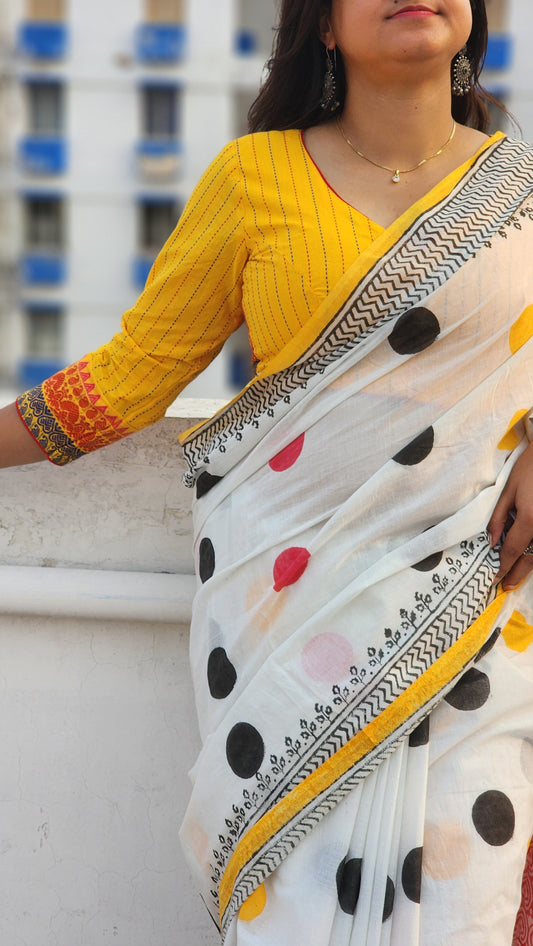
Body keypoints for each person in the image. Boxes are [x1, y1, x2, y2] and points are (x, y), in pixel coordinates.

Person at [2, 0, 533, 942]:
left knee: (462, 899)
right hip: (289, 614)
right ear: (322, 26)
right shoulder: (255, 178)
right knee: (295, 901)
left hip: (476, 615)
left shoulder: (519, 191)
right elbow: (134, 377)